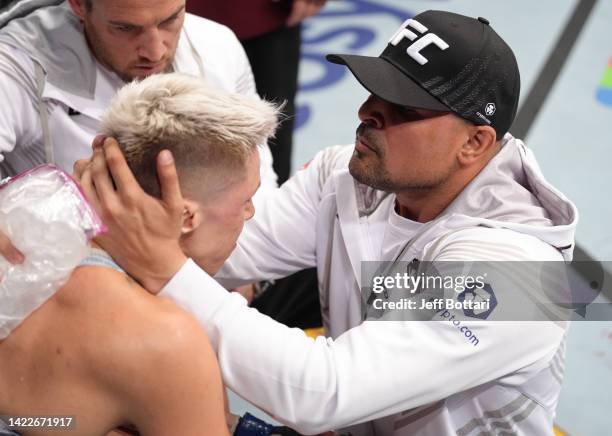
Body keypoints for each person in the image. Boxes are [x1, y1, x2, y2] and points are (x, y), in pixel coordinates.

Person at [52, 10, 587, 435]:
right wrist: (118, 213)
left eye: (405, 108)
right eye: (376, 88)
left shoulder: (520, 275)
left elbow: (322, 392)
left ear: (475, 143)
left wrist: (165, 266)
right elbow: (226, 251)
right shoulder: (348, 175)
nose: (369, 112)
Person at [0, 72, 279, 435]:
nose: (251, 213)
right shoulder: (168, 340)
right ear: (186, 216)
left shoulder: (19, 221)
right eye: (245, 200)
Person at [0, 0, 277, 181]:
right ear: (79, 5)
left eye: (170, 20)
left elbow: (259, 189)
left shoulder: (218, 45)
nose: (155, 52)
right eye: (125, 28)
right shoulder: (15, 66)